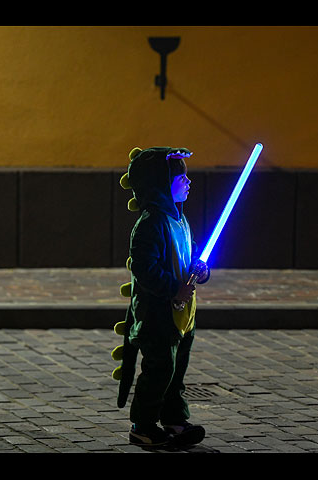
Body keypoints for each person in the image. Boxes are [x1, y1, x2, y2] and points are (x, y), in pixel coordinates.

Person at [120, 146, 209, 448]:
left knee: (176, 370)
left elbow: (190, 254)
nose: (188, 182)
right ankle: (142, 425)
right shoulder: (150, 224)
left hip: (183, 315)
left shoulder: (180, 220)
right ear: (160, 183)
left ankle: (174, 420)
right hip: (158, 314)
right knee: (159, 370)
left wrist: (201, 268)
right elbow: (146, 270)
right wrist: (174, 288)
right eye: (181, 177)